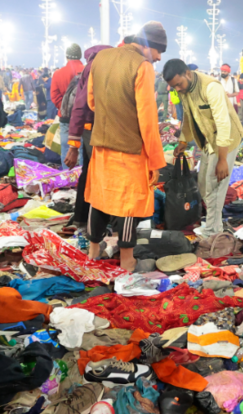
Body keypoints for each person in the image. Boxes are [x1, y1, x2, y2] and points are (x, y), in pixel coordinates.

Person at [84, 22, 167, 272]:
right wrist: (156, 161)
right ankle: (127, 258)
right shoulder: (142, 66)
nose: (159, 57)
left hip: (100, 144)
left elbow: (91, 102)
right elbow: (148, 119)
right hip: (130, 148)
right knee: (129, 203)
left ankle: (93, 251)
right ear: (147, 45)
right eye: (158, 51)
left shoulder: (100, 58)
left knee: (99, 197)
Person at [165, 59, 243, 239]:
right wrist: (183, 142)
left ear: (188, 73)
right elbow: (187, 116)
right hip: (209, 140)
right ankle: (212, 221)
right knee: (203, 182)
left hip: (227, 139)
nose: (177, 89)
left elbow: (223, 124)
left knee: (215, 184)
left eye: (179, 84)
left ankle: (212, 231)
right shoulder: (184, 89)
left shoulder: (211, 87)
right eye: (173, 87)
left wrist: (223, 159)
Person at [64, 44, 112, 229]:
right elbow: (80, 105)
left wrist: (74, 142)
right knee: (100, 175)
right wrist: (73, 145)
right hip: (94, 129)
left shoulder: (91, 66)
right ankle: (98, 225)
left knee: (89, 171)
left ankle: (82, 219)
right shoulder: (97, 67)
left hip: (88, 129)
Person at [51, 44, 85, 163]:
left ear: (66, 57)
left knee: (66, 149)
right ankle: (82, 179)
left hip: (65, 117)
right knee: (82, 150)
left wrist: (65, 107)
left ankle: (68, 179)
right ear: (80, 56)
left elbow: (54, 96)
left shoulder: (58, 73)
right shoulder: (86, 71)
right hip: (83, 118)